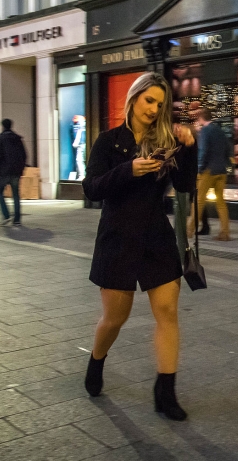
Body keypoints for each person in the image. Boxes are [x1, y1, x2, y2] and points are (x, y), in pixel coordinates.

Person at [82, 72, 197, 421]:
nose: (154, 109)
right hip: (117, 238)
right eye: (149, 101)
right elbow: (92, 188)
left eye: (160, 104)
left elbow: (184, 184)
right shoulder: (108, 141)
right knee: (115, 318)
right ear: (134, 98)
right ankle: (97, 361)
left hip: (156, 237)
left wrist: (190, 148)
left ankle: (165, 392)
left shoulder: (165, 139)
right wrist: (128, 170)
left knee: (168, 312)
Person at [188, 108, 231, 241]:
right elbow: (228, 149)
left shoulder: (205, 131)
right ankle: (225, 233)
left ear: (201, 118)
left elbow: (203, 150)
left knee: (198, 202)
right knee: (221, 203)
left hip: (209, 171)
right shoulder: (219, 131)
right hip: (221, 171)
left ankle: (188, 231)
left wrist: (199, 169)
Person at [0, 118, 27, 227]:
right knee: (16, 195)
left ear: (3, 126)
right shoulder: (18, 139)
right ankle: (17, 220)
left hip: (4, 171)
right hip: (16, 172)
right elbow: (24, 155)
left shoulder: (1, 138)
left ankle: (6, 215)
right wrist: (21, 169)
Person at [73, 115, 87, 180]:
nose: (74, 119)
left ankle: (82, 175)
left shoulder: (80, 124)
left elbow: (79, 135)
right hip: (84, 144)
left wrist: (76, 143)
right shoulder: (84, 124)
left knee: (79, 160)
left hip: (81, 145)